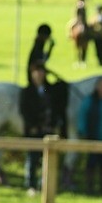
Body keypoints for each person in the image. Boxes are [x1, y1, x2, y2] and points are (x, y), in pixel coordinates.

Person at [19, 63, 69, 194]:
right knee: (32, 158)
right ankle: (31, 185)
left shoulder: (50, 90)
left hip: (48, 130)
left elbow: (57, 107)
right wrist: (33, 126)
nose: (39, 74)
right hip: (34, 130)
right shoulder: (27, 92)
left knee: (47, 159)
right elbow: (24, 111)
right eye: (36, 72)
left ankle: (45, 186)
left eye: (41, 72)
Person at [78, 77, 102, 194]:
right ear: (97, 87)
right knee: (92, 163)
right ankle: (89, 187)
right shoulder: (89, 101)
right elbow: (82, 115)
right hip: (94, 137)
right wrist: (82, 130)